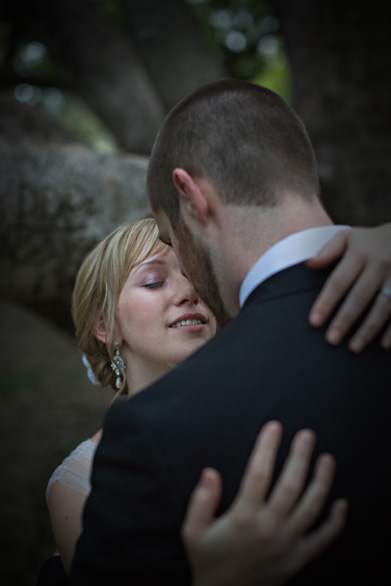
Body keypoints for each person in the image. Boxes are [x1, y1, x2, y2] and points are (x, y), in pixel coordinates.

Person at [67, 81, 391, 586]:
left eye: (176, 243)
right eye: (154, 279)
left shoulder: (157, 434)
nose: (189, 286)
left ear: (192, 199)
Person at [42, 212, 387, 585]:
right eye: (155, 281)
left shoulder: (269, 401)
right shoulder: (78, 483)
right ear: (105, 326)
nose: (188, 291)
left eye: (194, 274)